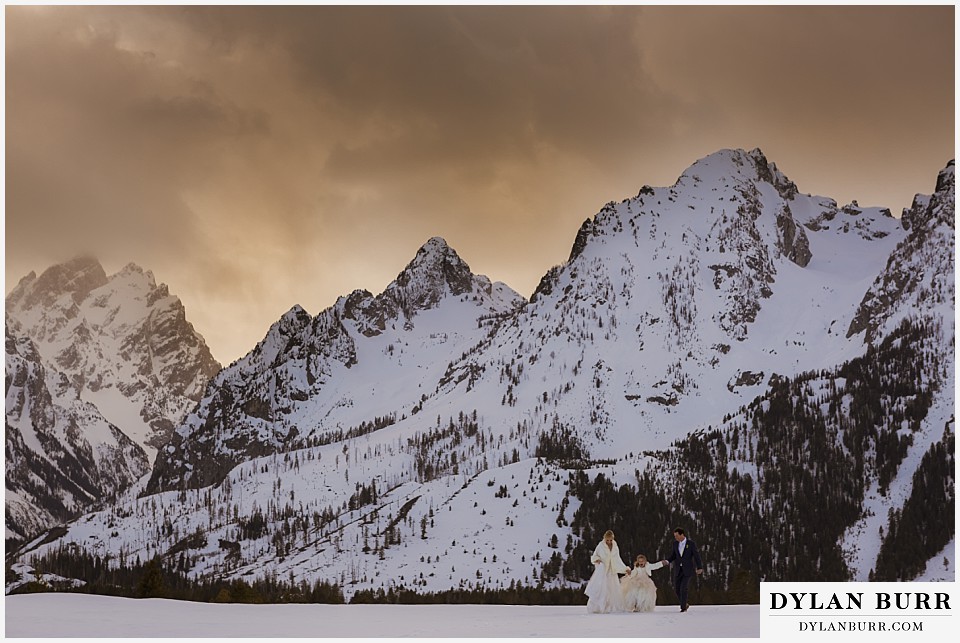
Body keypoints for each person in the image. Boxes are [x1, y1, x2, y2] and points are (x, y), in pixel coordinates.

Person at [584, 529, 631, 613]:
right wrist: (597, 560)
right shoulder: (600, 546)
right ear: (604, 539)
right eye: (607, 540)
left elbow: (617, 559)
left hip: (612, 571)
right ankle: (599, 607)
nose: (609, 542)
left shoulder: (615, 547)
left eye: (610, 540)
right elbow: (594, 556)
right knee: (602, 589)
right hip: (603, 571)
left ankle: (611, 607)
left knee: (613, 589)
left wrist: (625, 569)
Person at [661, 527, 703, 612]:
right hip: (678, 570)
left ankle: (683, 607)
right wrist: (667, 561)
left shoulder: (691, 544)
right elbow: (673, 555)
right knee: (677, 589)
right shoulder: (675, 544)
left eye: (676, 536)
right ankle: (684, 603)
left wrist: (699, 567)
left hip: (687, 570)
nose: (675, 537)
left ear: (682, 534)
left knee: (683, 588)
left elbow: (696, 556)